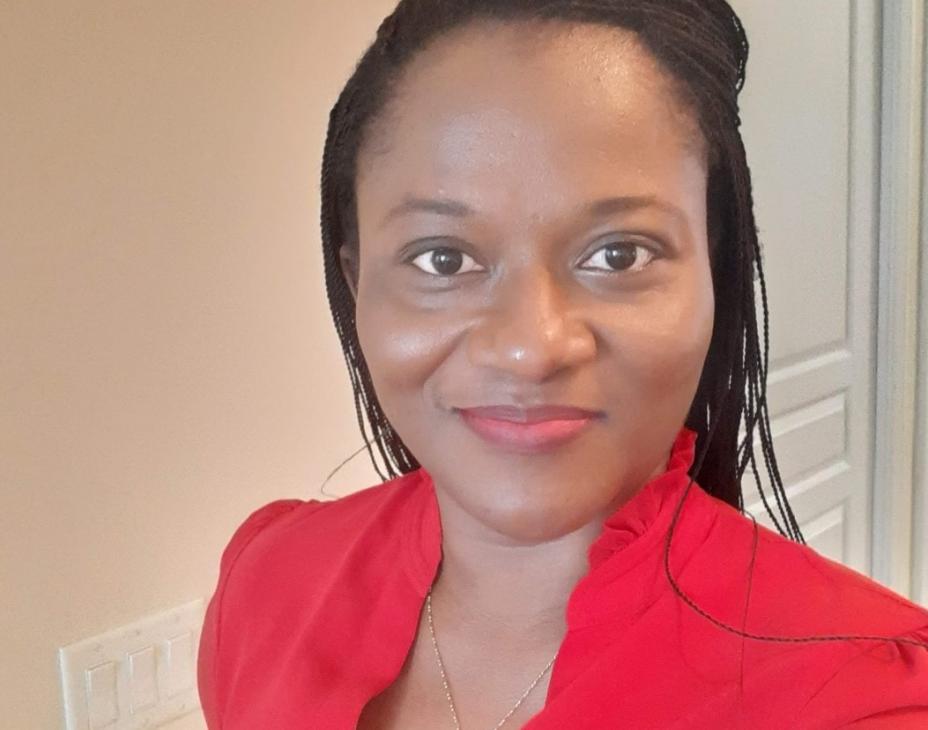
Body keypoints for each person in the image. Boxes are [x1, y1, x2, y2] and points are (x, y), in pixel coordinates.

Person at [197, 1, 928, 728]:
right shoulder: (267, 585)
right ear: (358, 283)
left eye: (619, 254)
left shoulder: (864, 695)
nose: (531, 347)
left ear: (714, 270)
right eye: (442, 258)